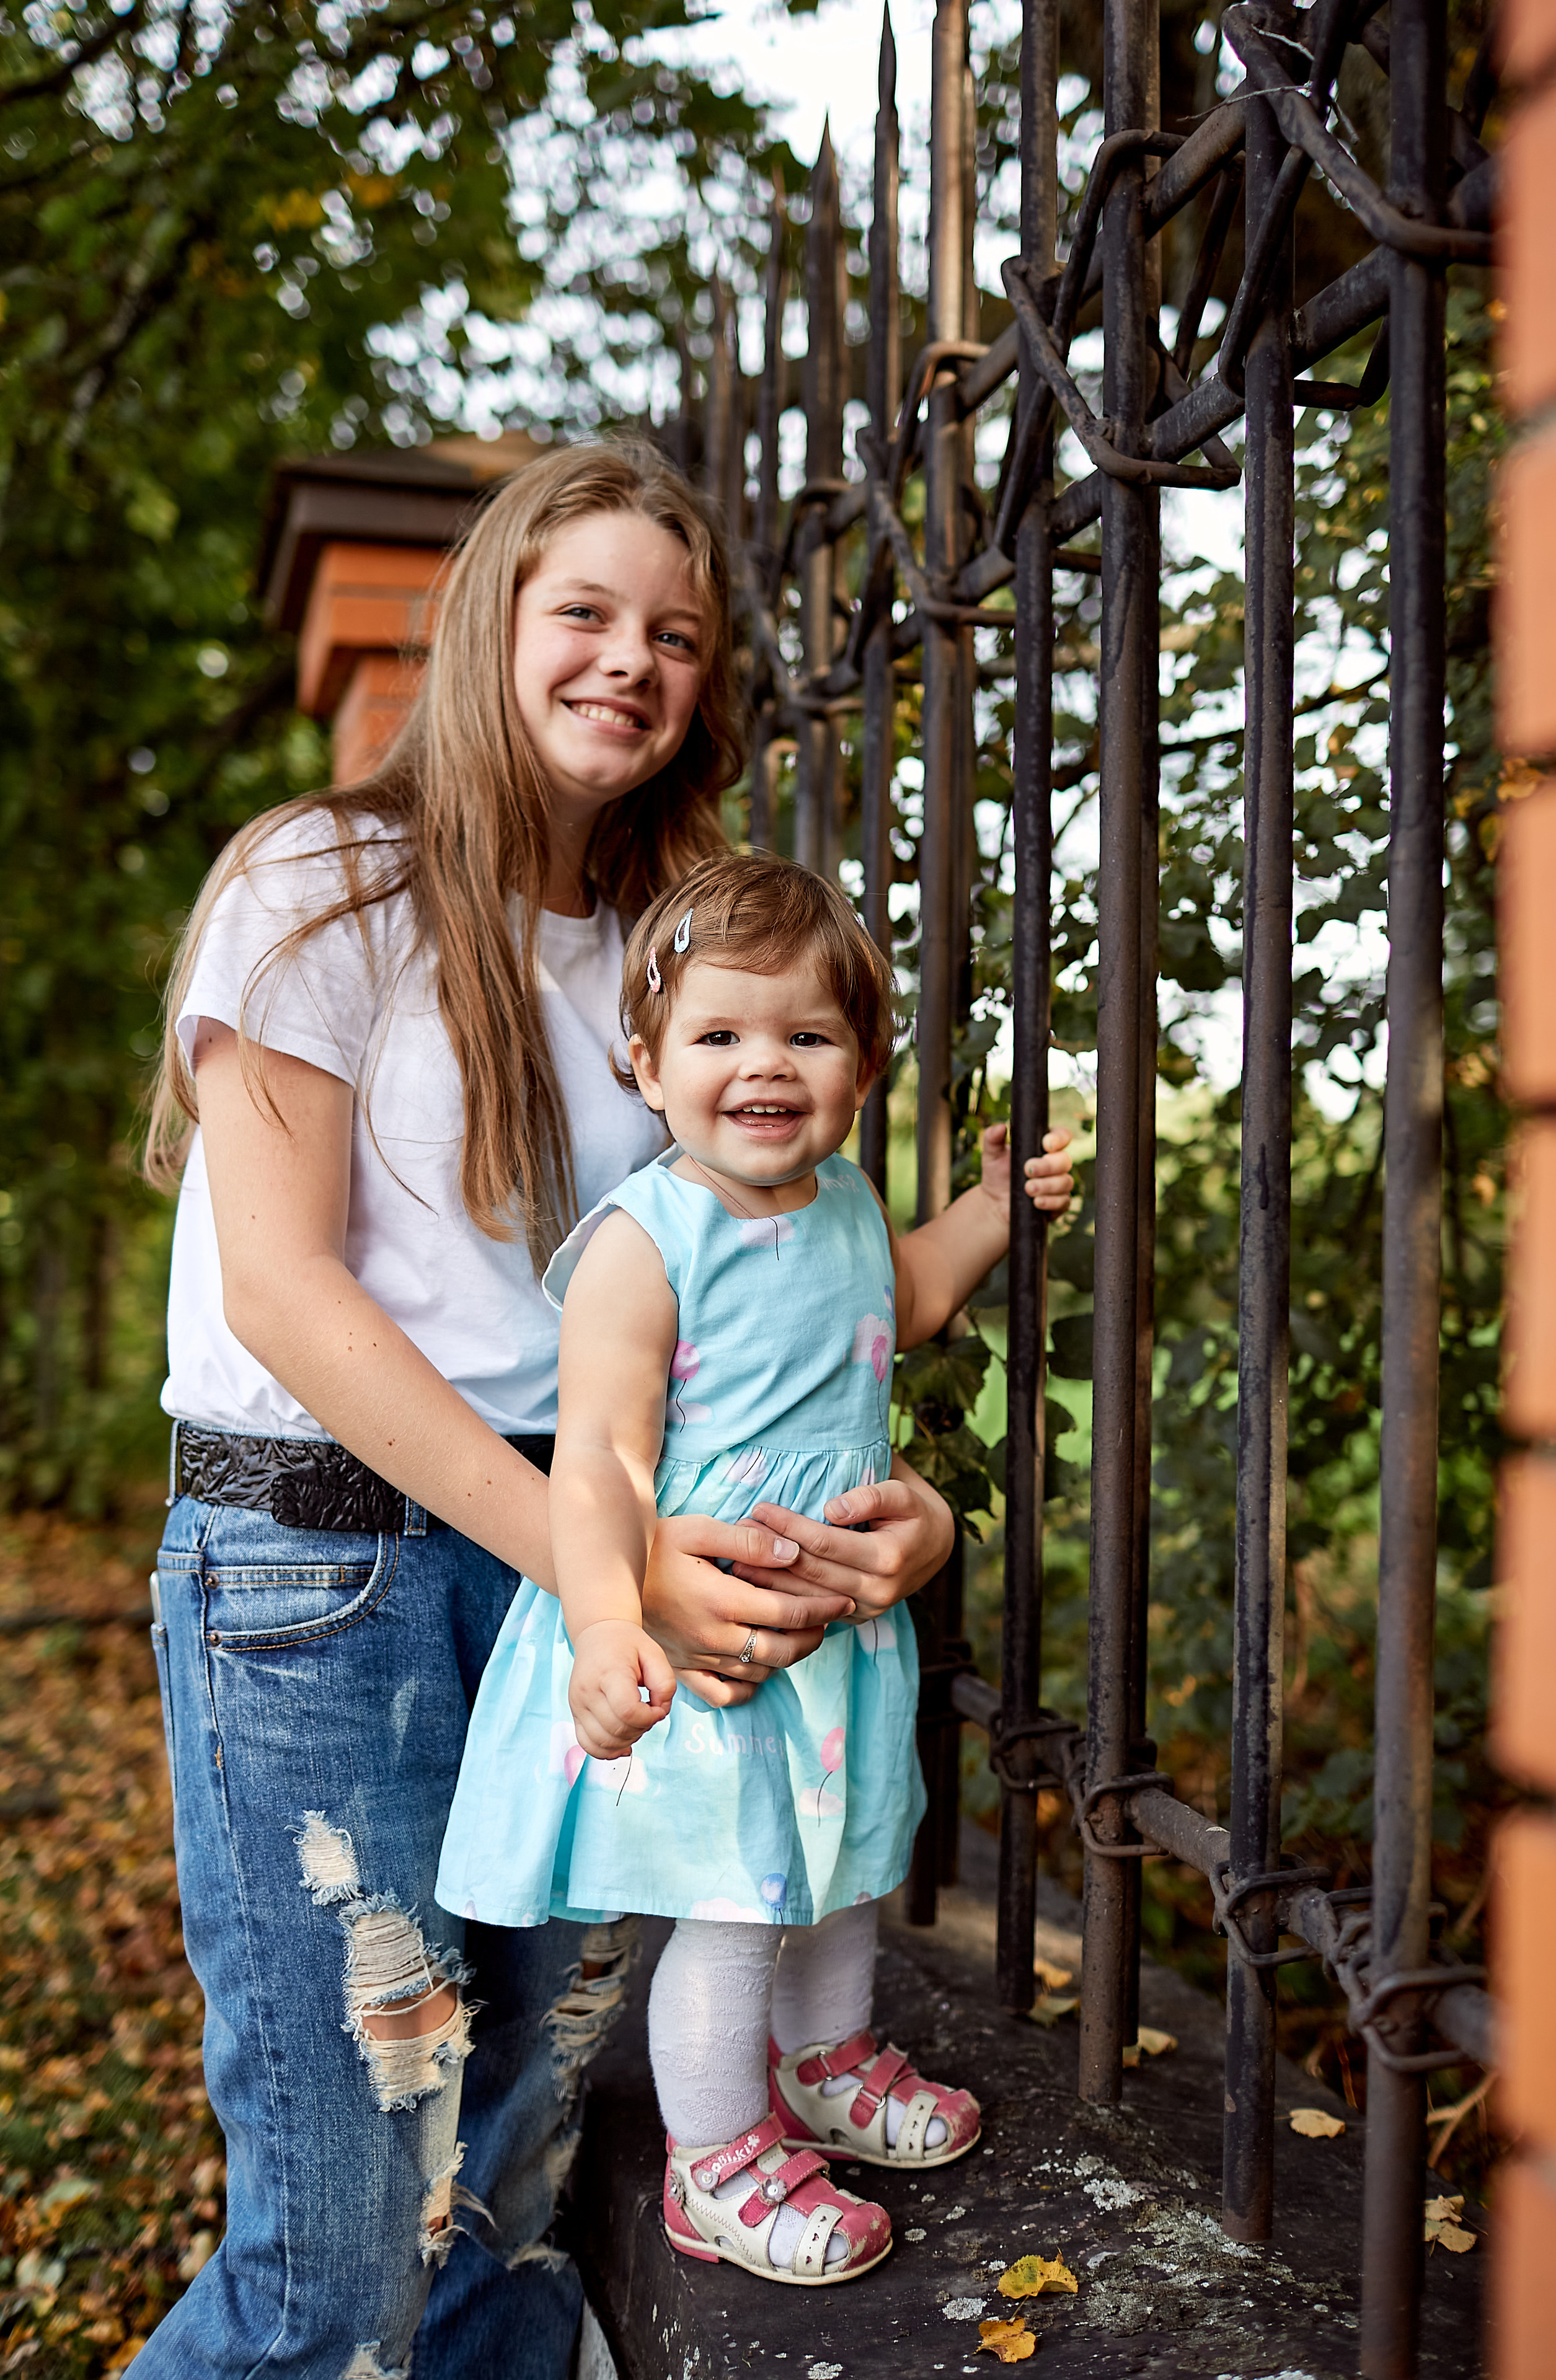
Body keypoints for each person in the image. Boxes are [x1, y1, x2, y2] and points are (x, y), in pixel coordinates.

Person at [136, 443, 964, 2378]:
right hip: (326, 1583)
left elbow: (780, 1297)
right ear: (490, 619)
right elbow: (286, 1291)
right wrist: (606, 1575)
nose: (629, 661)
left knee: (500, 2209)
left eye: (675, 634)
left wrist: (906, 1509)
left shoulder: (691, 947)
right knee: (336, 2263)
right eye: (584, 612)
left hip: (581, 1579)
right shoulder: (317, 880)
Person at [436, 852, 1074, 2286]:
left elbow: (899, 1298)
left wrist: (988, 1208)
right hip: (707, 1621)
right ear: (646, 1064)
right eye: (719, 1036)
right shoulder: (643, 1243)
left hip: (834, 1622)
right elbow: (595, 1460)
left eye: (806, 1034)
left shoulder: (843, 1200)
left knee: (842, 1860)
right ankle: (715, 2158)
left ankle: (826, 2062)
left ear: (860, 1067)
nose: (763, 1066)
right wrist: (608, 1620)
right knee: (732, 1897)